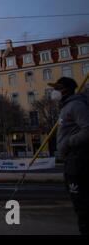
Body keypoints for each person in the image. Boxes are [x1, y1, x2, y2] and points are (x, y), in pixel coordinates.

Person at [48, 77, 89, 235]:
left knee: (83, 204)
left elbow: (87, 128)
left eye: (56, 88)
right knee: (79, 203)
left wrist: (69, 142)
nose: (54, 92)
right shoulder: (67, 107)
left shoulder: (76, 105)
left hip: (79, 159)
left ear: (64, 90)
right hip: (72, 159)